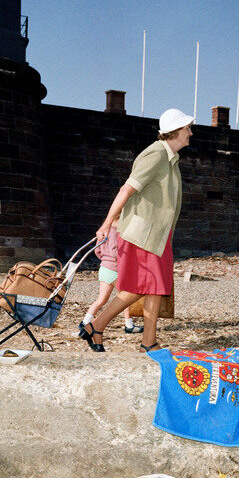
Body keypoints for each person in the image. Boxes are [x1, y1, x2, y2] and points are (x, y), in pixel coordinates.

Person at [79, 108, 193, 352]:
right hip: (143, 234)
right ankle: (97, 325)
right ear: (174, 132)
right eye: (187, 128)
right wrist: (107, 223)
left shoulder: (171, 159)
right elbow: (126, 189)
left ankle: (148, 341)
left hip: (159, 235)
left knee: (156, 287)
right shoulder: (155, 154)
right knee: (139, 288)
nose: (190, 133)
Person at [79, 222, 142, 336]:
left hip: (104, 268)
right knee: (126, 299)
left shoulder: (105, 230)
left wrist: (104, 259)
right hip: (115, 269)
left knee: (101, 300)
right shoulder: (118, 231)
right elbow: (116, 252)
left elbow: (97, 250)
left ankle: (85, 323)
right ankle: (129, 325)